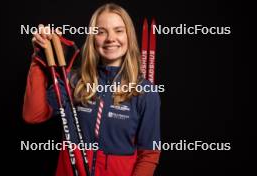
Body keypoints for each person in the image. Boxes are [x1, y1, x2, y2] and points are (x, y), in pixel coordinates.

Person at [23, 3, 161, 176]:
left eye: (118, 30)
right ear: (92, 38)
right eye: (101, 32)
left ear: (129, 36)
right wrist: (39, 59)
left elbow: (149, 154)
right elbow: (33, 115)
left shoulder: (145, 91)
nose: (110, 38)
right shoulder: (74, 81)